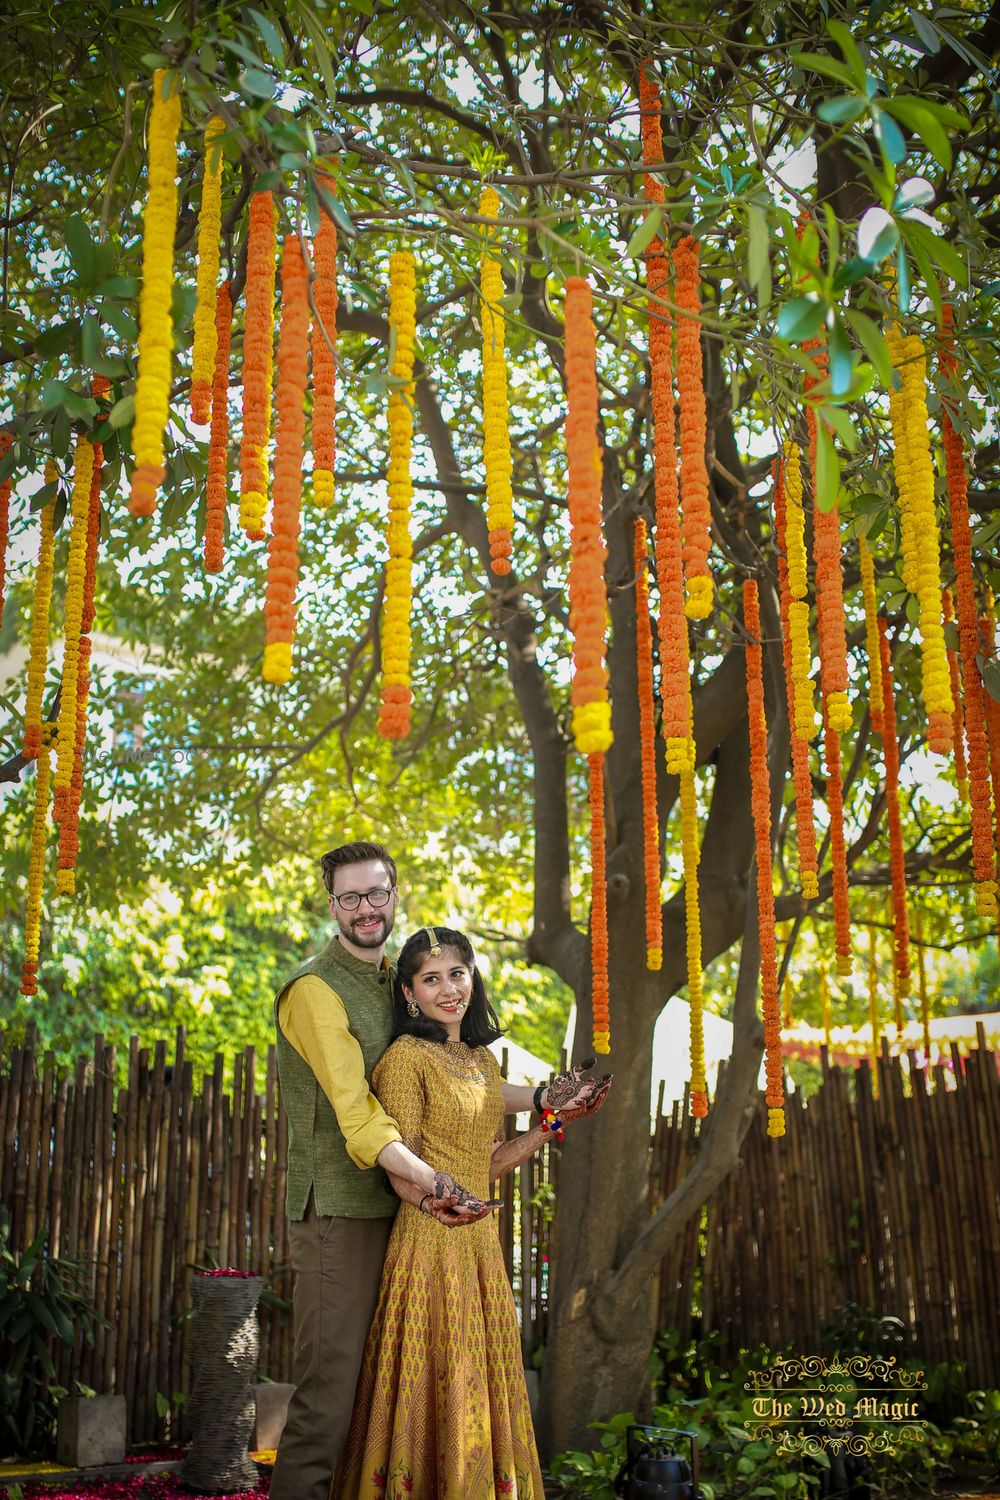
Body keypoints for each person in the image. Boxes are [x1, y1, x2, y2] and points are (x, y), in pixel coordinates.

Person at [270, 843, 608, 1500]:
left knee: (388, 1397)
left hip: (411, 1214)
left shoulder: (402, 977)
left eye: (377, 893)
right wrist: (431, 1180)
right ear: (331, 905)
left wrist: (543, 1099)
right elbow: (356, 1108)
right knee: (330, 1401)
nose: (366, 908)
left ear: (394, 896)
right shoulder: (314, 992)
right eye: (350, 897)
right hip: (343, 1212)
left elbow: (463, 1078)